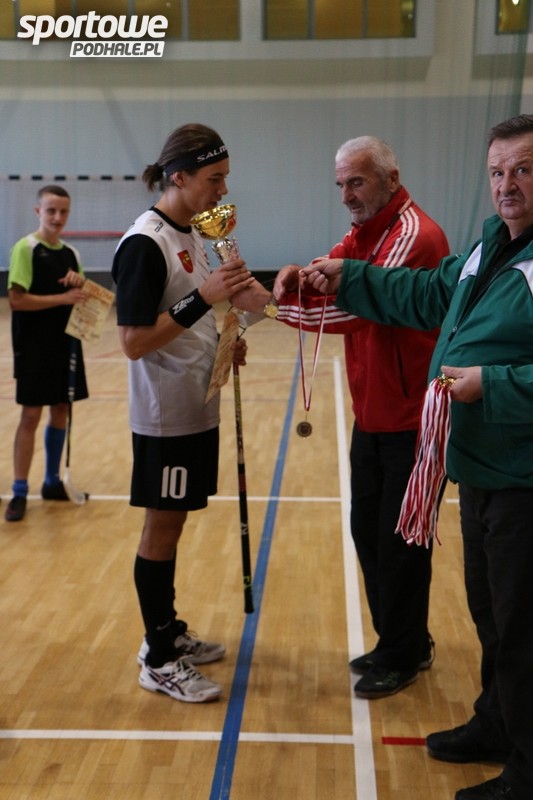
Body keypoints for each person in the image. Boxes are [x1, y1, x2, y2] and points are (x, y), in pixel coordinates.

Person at [298, 114, 533, 800]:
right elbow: (428, 295)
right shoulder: (491, 247)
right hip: (481, 466)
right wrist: (349, 276)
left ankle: (527, 772)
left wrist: (492, 383)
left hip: (523, 474)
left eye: (523, 170)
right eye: (497, 171)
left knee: (523, 628)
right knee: (492, 614)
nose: (507, 185)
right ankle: (497, 725)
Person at [271, 137, 450, 699]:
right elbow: (328, 270)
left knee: (400, 543)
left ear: (391, 179)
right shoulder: (364, 232)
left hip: (413, 418)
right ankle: (404, 639)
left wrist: (268, 304)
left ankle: (402, 652)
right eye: (341, 184)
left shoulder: (413, 235)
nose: (347, 195)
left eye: (357, 182)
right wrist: (296, 274)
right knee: (369, 533)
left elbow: (357, 309)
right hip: (373, 412)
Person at [111, 122, 265, 704]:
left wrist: (224, 341)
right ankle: (157, 656)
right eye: (213, 178)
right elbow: (133, 342)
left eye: (225, 178)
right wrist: (205, 297)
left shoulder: (195, 232)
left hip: (197, 403)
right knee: (163, 527)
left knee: (174, 523)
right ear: (178, 177)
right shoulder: (144, 244)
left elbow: (191, 316)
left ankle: (168, 629)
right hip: (165, 414)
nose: (222, 190)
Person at [5, 185, 89, 523]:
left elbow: (84, 299)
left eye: (63, 211)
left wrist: (79, 285)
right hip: (33, 347)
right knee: (30, 415)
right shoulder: (26, 248)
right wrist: (62, 298)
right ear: (38, 211)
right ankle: (19, 490)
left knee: (60, 411)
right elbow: (16, 300)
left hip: (65, 344)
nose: (57, 217)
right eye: (51, 210)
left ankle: (52, 482)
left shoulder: (72, 254)